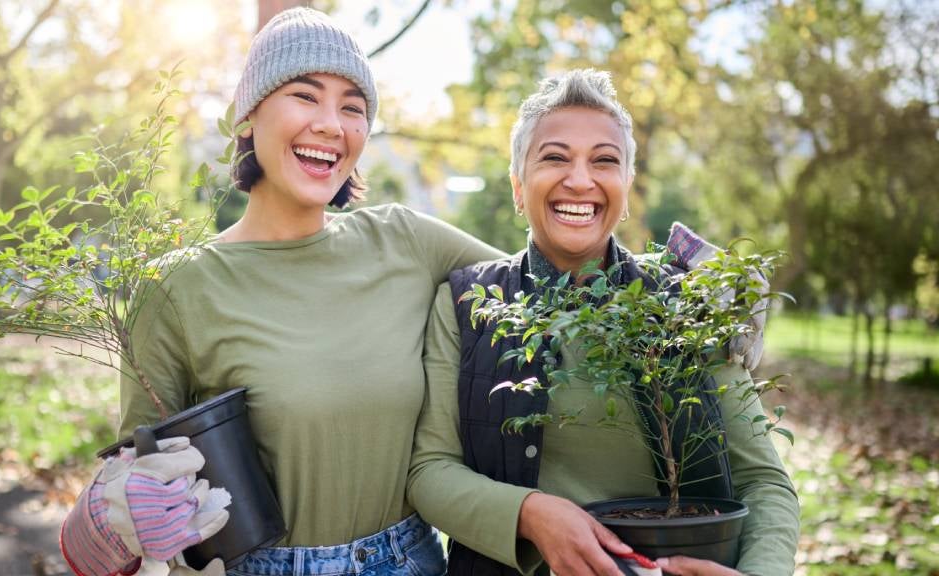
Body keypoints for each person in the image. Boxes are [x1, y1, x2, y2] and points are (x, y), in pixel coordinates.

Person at [57, 10, 762, 576]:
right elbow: (134, 487)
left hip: (411, 560)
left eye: (353, 106)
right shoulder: (177, 287)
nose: (331, 124)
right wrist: (101, 531)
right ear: (248, 116)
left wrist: (696, 295)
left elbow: (562, 279)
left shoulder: (405, 240)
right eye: (304, 95)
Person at [406, 69, 799, 576]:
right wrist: (529, 515)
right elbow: (430, 471)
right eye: (554, 157)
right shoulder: (466, 304)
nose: (580, 179)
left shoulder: (689, 303)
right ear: (518, 185)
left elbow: (763, 481)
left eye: (604, 161)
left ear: (627, 186)